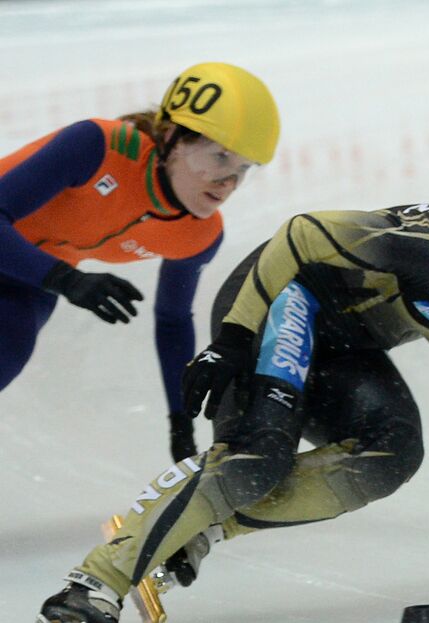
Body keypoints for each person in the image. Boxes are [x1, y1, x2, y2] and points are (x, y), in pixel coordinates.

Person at [29, 163, 429, 623]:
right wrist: (234, 338)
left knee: (391, 457)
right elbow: (303, 234)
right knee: (254, 462)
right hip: (283, 300)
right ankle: (93, 586)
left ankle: (196, 524)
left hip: (347, 345)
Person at [0, 62, 279, 461]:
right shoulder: (99, 147)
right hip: (35, 267)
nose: (229, 183)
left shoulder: (198, 236)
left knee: (8, 346)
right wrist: (68, 280)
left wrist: (180, 421)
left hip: (27, 278)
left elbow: (172, 319)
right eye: (220, 158)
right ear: (172, 138)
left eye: (243, 169)